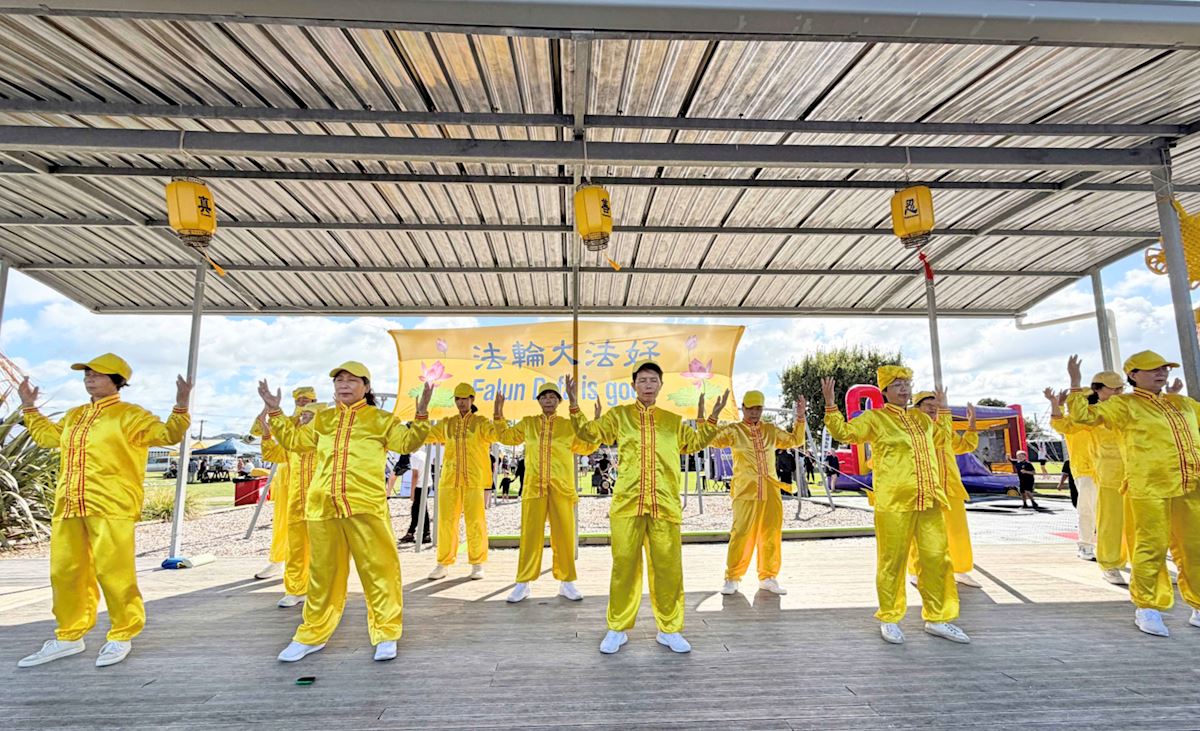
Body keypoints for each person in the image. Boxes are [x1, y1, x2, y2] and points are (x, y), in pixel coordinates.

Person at [17, 354, 192, 668]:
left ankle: (122, 634)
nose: (89, 379)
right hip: (69, 504)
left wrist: (181, 404)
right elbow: (47, 438)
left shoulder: (130, 415)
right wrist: (30, 407)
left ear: (117, 381)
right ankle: (69, 636)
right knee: (65, 572)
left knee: (114, 572)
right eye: (87, 374)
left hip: (112, 504)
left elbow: (168, 435)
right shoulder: (74, 415)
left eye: (97, 375)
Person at [260, 364, 433, 663]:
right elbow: (294, 443)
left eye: (352, 380)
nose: (344, 384)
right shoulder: (323, 419)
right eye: (339, 380)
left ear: (366, 387)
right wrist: (275, 412)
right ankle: (312, 634)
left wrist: (421, 413)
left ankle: (386, 632)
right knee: (322, 576)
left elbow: (408, 442)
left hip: (365, 506)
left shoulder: (381, 420)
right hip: (323, 507)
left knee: (379, 571)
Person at [572, 362, 728, 655]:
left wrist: (711, 418)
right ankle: (617, 627)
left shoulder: (672, 421)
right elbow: (590, 434)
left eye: (653, 380)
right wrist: (573, 406)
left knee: (668, 568)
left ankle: (669, 629)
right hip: (627, 504)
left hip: (664, 504)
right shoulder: (619, 416)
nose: (647, 385)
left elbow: (695, 442)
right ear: (633, 385)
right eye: (642, 380)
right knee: (624, 567)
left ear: (660, 385)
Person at [823, 368, 969, 645]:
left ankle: (938, 617)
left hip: (929, 499)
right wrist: (831, 405)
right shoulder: (875, 419)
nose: (904, 389)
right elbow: (845, 432)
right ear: (885, 391)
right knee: (892, 561)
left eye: (907, 384)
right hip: (894, 502)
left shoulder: (921, 419)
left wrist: (945, 410)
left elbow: (943, 438)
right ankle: (890, 617)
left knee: (937, 559)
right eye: (897, 385)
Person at [1065, 351, 1200, 637]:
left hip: (1190, 486)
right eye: (1153, 369)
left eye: (1164, 368)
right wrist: (1075, 384)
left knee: (1195, 547)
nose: (1161, 373)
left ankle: (1198, 605)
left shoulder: (1183, 404)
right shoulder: (1124, 405)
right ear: (1133, 375)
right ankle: (1147, 607)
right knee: (1151, 546)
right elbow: (1083, 416)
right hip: (1148, 486)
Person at [494, 382, 587, 603]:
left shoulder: (568, 425)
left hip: (561, 488)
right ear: (538, 401)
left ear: (559, 401)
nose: (548, 400)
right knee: (529, 536)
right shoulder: (529, 424)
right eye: (544, 396)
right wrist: (498, 413)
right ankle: (523, 582)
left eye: (553, 396)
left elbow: (587, 445)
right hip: (534, 487)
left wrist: (580, 409)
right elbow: (507, 437)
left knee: (564, 535)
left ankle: (567, 581)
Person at [710, 391, 806, 596]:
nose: (754, 413)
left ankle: (768, 577)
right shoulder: (734, 431)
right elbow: (711, 440)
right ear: (743, 408)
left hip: (771, 491)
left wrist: (800, 418)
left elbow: (795, 440)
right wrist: (711, 417)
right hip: (745, 491)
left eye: (758, 409)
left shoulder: (770, 430)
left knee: (770, 533)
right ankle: (732, 577)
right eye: (750, 408)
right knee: (741, 534)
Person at [1057, 365, 1136, 586]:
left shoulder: (1124, 410)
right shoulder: (1086, 418)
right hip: (1092, 471)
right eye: (1113, 389)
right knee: (1093, 512)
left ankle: (1141, 563)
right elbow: (1063, 423)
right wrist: (1061, 401)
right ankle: (1093, 551)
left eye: (1120, 388)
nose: (1118, 392)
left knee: (1132, 521)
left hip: (1130, 473)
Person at [256, 394, 324, 607]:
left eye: (308, 416)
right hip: (296, 504)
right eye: (302, 415)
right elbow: (273, 454)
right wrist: (266, 434)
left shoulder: (326, 443)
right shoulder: (293, 443)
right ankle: (296, 589)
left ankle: (321, 590)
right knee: (296, 548)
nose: (303, 418)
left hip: (322, 505)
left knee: (321, 549)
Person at [908, 392, 981, 588]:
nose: (934, 408)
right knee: (921, 533)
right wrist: (945, 411)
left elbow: (965, 446)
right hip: (924, 488)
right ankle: (916, 571)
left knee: (957, 532)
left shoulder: (944, 427)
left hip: (951, 487)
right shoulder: (913, 427)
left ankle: (960, 570)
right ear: (917, 408)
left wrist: (972, 424)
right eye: (928, 405)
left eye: (937, 405)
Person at [426, 383, 497, 581]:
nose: (461, 402)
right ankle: (443, 564)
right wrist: (421, 413)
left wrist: (499, 416)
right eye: (457, 399)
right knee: (446, 522)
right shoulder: (447, 423)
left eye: (465, 398)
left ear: (472, 400)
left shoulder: (481, 422)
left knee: (475, 521)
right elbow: (427, 436)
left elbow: (496, 435)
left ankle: (477, 563)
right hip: (449, 479)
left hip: (474, 479)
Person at [1049, 386, 1098, 562]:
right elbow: (1057, 421)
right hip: (1085, 471)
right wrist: (1058, 404)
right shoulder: (1072, 422)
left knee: (1108, 511)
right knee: (1087, 510)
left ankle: (1113, 548)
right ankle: (1086, 546)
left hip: (1108, 470)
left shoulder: (1102, 417)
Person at [398, 449, 431, 544]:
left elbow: (415, 476)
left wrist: (412, 492)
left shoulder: (414, 457)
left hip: (420, 486)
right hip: (427, 484)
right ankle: (411, 532)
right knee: (417, 510)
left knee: (421, 510)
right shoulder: (423, 454)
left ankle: (425, 534)